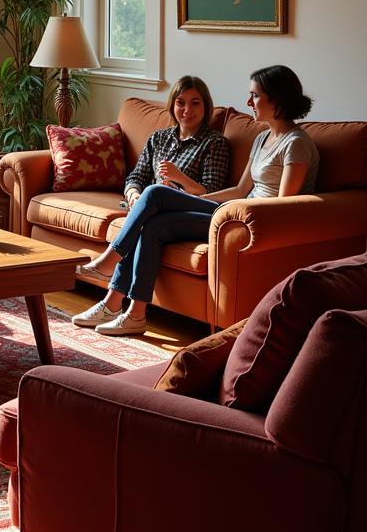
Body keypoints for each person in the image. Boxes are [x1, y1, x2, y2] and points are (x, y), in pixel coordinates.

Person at [73, 65, 318, 337]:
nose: (249, 102)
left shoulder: (296, 143)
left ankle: (110, 259)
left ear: (278, 99)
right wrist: (187, 200)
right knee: (154, 225)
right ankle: (134, 313)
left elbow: (285, 205)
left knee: (154, 192)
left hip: (252, 223)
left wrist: (193, 200)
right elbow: (239, 189)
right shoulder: (262, 138)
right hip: (231, 212)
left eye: (255, 96)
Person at [77, 74, 229, 281]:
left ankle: (109, 261)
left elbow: (211, 192)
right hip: (156, 208)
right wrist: (133, 195)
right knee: (149, 213)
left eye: (195, 103)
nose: (187, 110)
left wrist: (179, 177)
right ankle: (119, 304)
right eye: (180, 103)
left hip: (192, 209)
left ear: (206, 107)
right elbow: (137, 176)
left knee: (155, 192)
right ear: (172, 105)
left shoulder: (214, 143)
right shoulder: (159, 138)